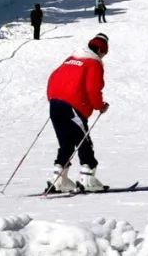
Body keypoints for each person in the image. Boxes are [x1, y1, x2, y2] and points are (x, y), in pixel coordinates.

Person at [46, 33, 110, 193]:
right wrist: (99, 106)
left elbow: (53, 77)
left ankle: (58, 178)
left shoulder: (71, 59)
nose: (103, 56)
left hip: (55, 104)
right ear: (101, 50)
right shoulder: (93, 64)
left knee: (66, 143)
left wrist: (55, 99)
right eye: (104, 52)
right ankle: (87, 177)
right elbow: (92, 88)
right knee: (83, 141)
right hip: (73, 106)